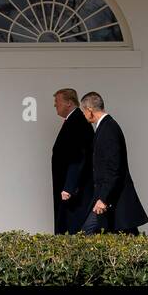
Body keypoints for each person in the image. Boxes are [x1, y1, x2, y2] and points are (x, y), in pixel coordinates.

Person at [78, 91, 148, 234]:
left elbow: (113, 167)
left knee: (87, 231)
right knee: (125, 234)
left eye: (83, 111)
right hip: (111, 196)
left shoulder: (108, 129)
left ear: (90, 111)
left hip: (112, 196)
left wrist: (103, 199)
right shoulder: (105, 127)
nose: (83, 115)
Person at [51, 88, 93, 234]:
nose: (55, 105)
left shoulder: (77, 122)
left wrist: (69, 186)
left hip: (73, 191)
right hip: (68, 187)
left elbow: (79, 156)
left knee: (71, 227)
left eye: (57, 102)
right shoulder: (73, 120)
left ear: (69, 103)